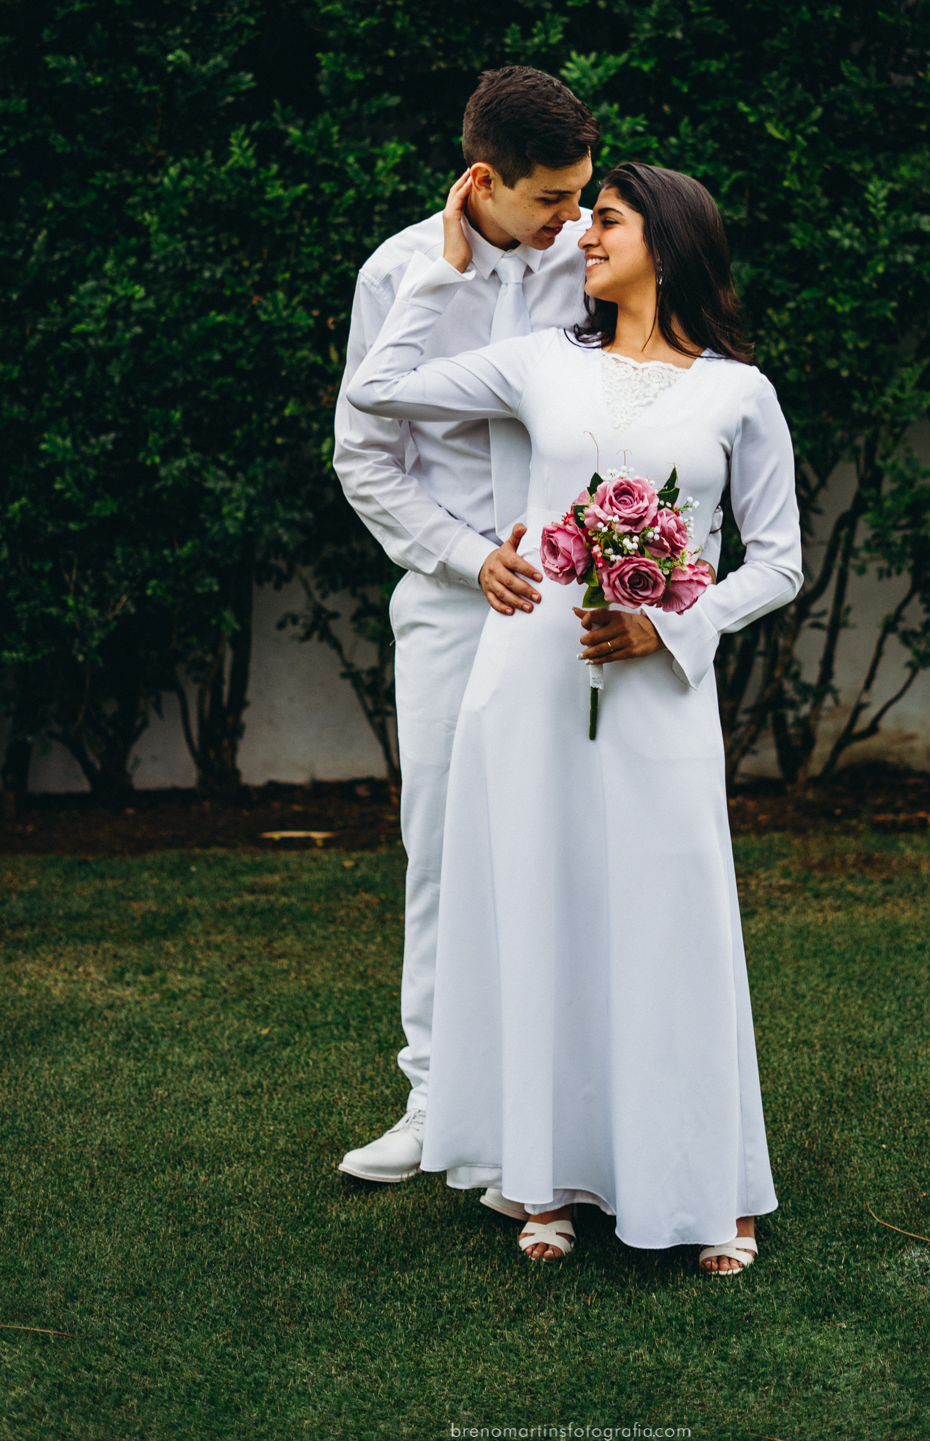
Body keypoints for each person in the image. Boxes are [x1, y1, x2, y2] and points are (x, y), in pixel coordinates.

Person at [345, 161, 803, 1274]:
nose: (581, 239)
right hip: (530, 683)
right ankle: (543, 1177)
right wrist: (440, 271)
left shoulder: (740, 392)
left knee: (669, 916)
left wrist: (674, 628)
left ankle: (709, 1186)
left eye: (605, 220)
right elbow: (380, 392)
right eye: (583, 218)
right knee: (543, 911)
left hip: (658, 691)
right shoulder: (543, 363)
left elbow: (778, 562)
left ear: (672, 241)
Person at [333, 67, 599, 1195]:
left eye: (583, 193)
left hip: (575, 608)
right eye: (551, 198)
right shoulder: (397, 272)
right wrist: (462, 556)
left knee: (576, 843)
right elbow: (364, 455)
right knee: (441, 848)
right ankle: (435, 1103)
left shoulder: (600, 260)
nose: (571, 216)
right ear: (484, 179)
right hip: (450, 601)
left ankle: (575, 1110)